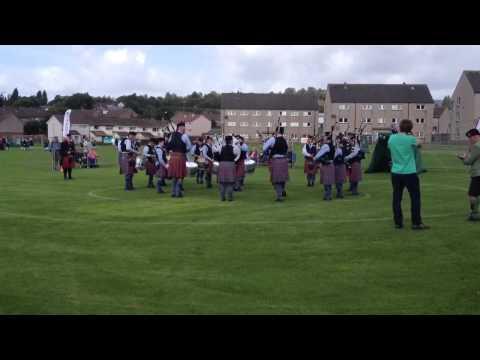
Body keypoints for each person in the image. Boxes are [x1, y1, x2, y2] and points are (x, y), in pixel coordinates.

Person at [387, 119, 429, 230]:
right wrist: (411, 134)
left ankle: (398, 222)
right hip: (409, 172)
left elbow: (390, 146)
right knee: (415, 197)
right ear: (410, 128)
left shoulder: (392, 138)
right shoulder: (411, 139)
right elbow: (420, 144)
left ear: (400, 127)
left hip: (396, 172)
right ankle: (416, 222)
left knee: (397, 197)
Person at [457, 128, 480, 221]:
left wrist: (463, 158)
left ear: (475, 136)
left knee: (472, 195)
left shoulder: (477, 146)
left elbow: (469, 161)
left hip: (478, 173)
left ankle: (474, 214)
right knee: (476, 194)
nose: (469, 140)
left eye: (470, 138)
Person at [165, 122, 192, 198]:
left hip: (173, 157)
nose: (184, 129)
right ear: (180, 127)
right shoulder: (185, 136)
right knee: (180, 176)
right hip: (180, 156)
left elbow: (168, 146)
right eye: (184, 127)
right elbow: (190, 147)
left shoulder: (172, 135)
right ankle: (178, 193)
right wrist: (184, 150)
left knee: (174, 176)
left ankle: (173, 193)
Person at [263, 127, 289, 202]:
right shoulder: (285, 140)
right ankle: (282, 189)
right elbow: (286, 149)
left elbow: (264, 148)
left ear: (276, 131)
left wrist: (267, 143)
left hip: (276, 160)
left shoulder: (272, 139)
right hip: (284, 160)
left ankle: (279, 196)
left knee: (276, 180)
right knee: (282, 178)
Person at [215, 135, 240, 201]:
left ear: (225, 141)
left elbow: (216, 155)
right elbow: (238, 156)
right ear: (231, 141)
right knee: (230, 182)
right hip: (231, 164)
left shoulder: (221, 147)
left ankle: (222, 198)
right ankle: (230, 198)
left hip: (222, 164)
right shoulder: (235, 147)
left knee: (222, 182)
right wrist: (234, 160)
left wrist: (220, 160)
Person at [314, 134, 335, 201]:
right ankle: (328, 195)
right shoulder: (332, 146)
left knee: (326, 182)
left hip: (326, 165)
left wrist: (315, 158)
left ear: (328, 140)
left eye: (325, 138)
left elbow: (320, 153)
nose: (324, 139)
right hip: (331, 164)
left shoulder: (326, 146)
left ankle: (327, 196)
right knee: (328, 182)